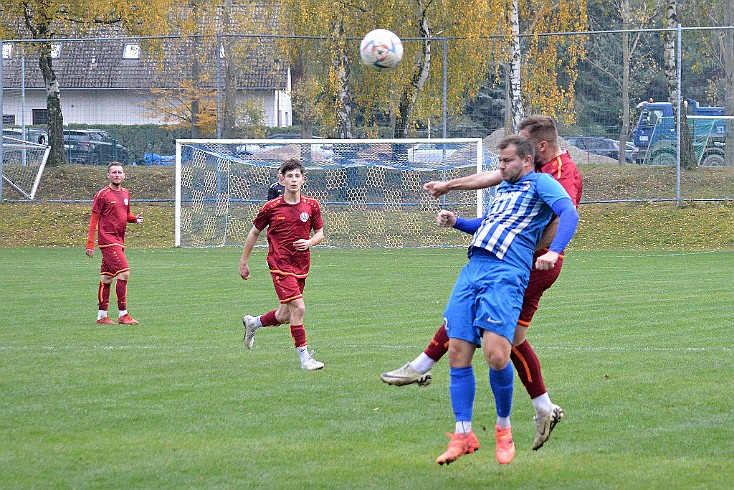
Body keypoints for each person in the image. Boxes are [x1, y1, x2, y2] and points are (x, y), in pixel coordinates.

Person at [382, 115, 583, 452]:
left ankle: (425, 364)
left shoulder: (560, 175)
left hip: (529, 261)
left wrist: (534, 248)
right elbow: (492, 181)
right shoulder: (514, 176)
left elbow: (563, 216)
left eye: (517, 150)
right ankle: (542, 408)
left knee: (491, 341)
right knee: (513, 338)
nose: (504, 164)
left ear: (537, 150)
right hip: (500, 257)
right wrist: (449, 189)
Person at [430, 135, 578, 465]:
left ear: (527, 160)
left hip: (507, 273)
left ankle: (503, 429)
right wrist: (457, 223)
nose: (501, 167)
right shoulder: (504, 191)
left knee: (498, 356)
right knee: (457, 351)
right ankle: (463, 434)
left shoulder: (541, 182)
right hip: (474, 267)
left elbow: (569, 213)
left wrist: (554, 251)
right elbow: (488, 225)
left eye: (507, 161)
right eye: (499, 162)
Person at [240, 158, 325, 371]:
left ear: (303, 179)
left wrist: (309, 242)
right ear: (282, 179)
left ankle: (254, 323)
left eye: (297, 176)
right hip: (279, 264)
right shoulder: (271, 207)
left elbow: (320, 234)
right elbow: (254, 232)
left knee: (285, 315)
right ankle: (305, 359)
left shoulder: (312, 205)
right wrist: (244, 262)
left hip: (301, 265)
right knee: (299, 307)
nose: (294, 180)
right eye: (289, 176)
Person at [85, 162, 143, 325]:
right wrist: (90, 243)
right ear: (108, 175)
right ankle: (123, 314)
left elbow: (125, 214)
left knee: (107, 278)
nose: (117, 175)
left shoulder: (125, 193)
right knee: (124, 272)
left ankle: (102, 316)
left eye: (120, 172)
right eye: (114, 172)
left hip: (119, 240)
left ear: (124, 175)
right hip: (108, 240)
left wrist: (134, 219)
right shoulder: (102, 194)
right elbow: (94, 219)